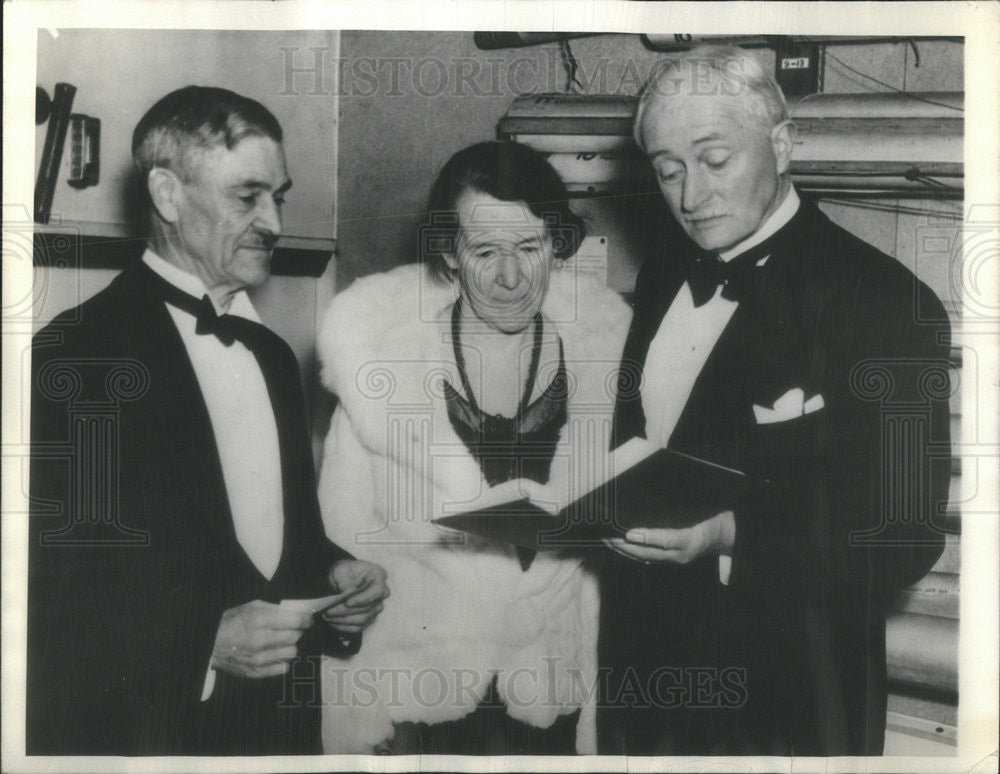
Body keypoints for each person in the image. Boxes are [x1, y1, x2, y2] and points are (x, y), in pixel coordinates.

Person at [599, 46, 952, 756]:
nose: (690, 197)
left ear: (783, 142)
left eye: (714, 160)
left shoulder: (886, 301)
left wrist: (730, 533)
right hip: (647, 685)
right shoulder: (668, 268)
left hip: (790, 702)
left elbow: (904, 532)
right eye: (668, 171)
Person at [27, 86, 389, 755]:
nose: (275, 222)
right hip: (148, 739)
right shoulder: (75, 355)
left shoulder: (275, 357)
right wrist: (204, 643)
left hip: (280, 732)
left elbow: (282, 546)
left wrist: (336, 573)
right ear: (168, 195)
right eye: (247, 196)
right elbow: (47, 597)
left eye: (278, 195)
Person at [315, 141, 631, 754]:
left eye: (530, 247)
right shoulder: (380, 368)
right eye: (485, 250)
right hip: (412, 710)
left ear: (558, 244)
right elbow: (340, 553)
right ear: (449, 254)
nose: (511, 277)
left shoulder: (609, 364)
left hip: (547, 700)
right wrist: (354, 725)